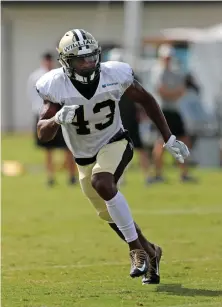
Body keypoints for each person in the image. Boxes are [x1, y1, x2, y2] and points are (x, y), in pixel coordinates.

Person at [36, 29, 189, 283]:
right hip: (83, 157)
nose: (87, 64)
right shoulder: (55, 85)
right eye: (80, 60)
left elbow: (148, 100)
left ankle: (135, 250)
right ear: (66, 62)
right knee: (111, 215)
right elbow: (43, 133)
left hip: (115, 142)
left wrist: (168, 136)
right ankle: (151, 252)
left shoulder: (114, 74)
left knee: (103, 183)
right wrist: (55, 119)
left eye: (91, 58)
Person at [27, 52, 77, 186]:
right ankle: (50, 177)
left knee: (67, 146)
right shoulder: (36, 76)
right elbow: (32, 96)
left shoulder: (59, 75)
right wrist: (40, 112)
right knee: (48, 148)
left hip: (60, 113)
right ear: (43, 62)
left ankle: (71, 175)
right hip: (44, 114)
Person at [150, 45, 195, 183]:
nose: (168, 60)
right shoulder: (158, 71)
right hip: (163, 111)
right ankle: (158, 174)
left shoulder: (176, 72)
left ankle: (184, 173)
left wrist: (172, 93)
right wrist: (173, 93)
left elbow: (180, 91)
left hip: (174, 111)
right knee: (161, 142)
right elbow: (162, 91)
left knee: (182, 141)